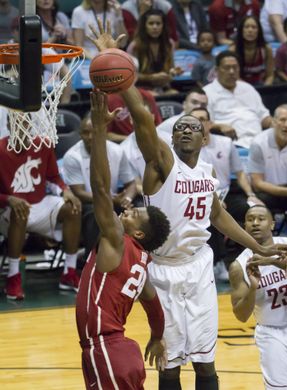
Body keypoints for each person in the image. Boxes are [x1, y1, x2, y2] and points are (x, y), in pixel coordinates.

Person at [87, 20, 287, 390]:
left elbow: (218, 215)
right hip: (163, 270)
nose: (183, 129)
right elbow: (145, 122)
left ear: (204, 136)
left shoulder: (210, 170)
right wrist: (115, 63)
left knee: (206, 364)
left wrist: (256, 245)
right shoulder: (163, 164)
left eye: (192, 127)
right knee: (169, 365)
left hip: (198, 268)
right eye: (179, 126)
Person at [76, 89, 171, 390]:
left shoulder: (117, 240)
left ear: (138, 234)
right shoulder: (142, 263)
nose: (126, 212)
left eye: (133, 216)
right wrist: (156, 337)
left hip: (108, 349)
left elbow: (101, 189)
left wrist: (100, 130)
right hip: (117, 351)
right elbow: (155, 308)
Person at [0, 120, 82, 300]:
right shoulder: (0, 149)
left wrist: (65, 191)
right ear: (9, 124)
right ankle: (13, 277)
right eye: (16, 123)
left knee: (73, 208)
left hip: (40, 203)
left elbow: (53, 176)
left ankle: (69, 272)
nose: (21, 127)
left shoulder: (43, 145)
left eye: (24, 123)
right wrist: (9, 199)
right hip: (8, 210)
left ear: (30, 125)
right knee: (21, 211)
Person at [229, 205, 287, 389]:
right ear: (243, 226)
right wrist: (253, 288)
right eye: (250, 219)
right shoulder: (239, 266)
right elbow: (241, 315)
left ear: (272, 223)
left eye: (261, 219)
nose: (255, 223)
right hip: (271, 333)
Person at [193, 106, 263, 281]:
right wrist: (213, 197)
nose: (200, 123)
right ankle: (220, 262)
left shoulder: (225, 143)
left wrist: (250, 194)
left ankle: (256, 256)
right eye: (195, 120)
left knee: (252, 210)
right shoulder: (187, 148)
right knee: (211, 212)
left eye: (203, 119)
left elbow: (239, 172)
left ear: (210, 123)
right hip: (202, 195)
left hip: (227, 191)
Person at [63, 111, 138, 258]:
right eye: (85, 133)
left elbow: (132, 184)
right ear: (79, 134)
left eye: (94, 132)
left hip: (113, 200)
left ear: (104, 131)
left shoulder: (117, 150)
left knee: (139, 207)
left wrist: (127, 199)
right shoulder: (72, 156)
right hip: (89, 203)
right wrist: (109, 199)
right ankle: (93, 259)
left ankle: (136, 257)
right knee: (94, 212)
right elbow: (79, 193)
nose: (90, 137)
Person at [203, 51, 273, 149]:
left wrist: (274, 123)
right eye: (227, 68)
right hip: (230, 144)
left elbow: (263, 116)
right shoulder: (207, 93)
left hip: (259, 142)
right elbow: (203, 122)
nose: (232, 71)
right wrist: (220, 127)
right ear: (216, 70)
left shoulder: (248, 88)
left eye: (235, 67)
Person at [248, 104, 287, 213]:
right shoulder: (259, 143)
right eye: (282, 120)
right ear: (274, 122)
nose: (286, 125)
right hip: (266, 192)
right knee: (256, 203)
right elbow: (257, 183)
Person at [126, 8, 181, 96]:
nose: (155, 27)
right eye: (151, 24)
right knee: (154, 95)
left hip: (162, 86)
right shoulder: (135, 46)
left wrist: (173, 72)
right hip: (141, 87)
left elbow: (171, 69)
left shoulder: (169, 43)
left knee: (175, 94)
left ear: (163, 26)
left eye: (158, 24)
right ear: (145, 26)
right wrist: (151, 77)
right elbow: (130, 75)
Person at [230, 15, 274, 86]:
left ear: (259, 31)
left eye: (254, 27)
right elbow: (234, 77)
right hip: (240, 87)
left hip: (262, 87)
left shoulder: (266, 49)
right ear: (241, 30)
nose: (250, 30)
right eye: (246, 27)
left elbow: (270, 76)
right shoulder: (233, 50)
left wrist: (266, 88)